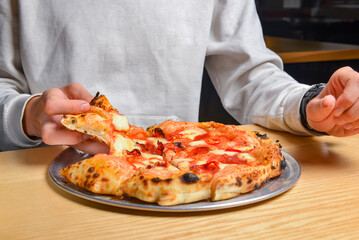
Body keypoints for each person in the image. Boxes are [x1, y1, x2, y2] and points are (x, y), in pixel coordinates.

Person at [1, 1, 359, 152]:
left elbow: (250, 76)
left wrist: (312, 103)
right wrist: (27, 114)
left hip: (182, 174)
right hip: (42, 174)